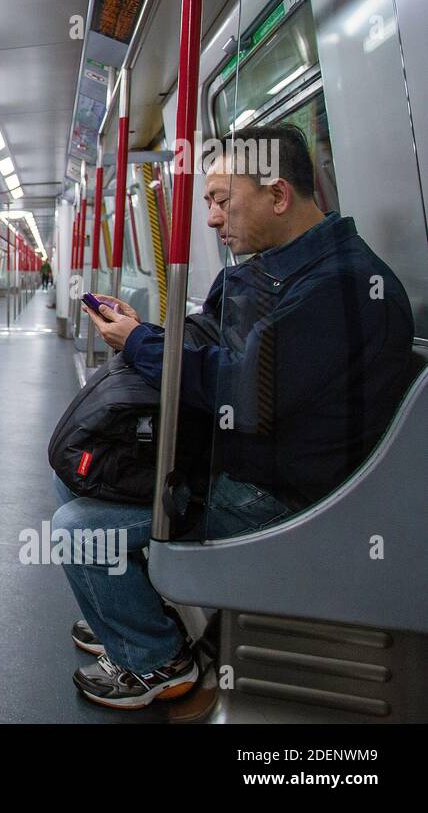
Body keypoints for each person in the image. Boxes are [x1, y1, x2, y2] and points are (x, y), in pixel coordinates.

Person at [57, 125, 414, 709]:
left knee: (76, 534)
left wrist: (140, 344)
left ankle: (158, 661)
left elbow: (242, 391)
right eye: (208, 204)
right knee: (75, 466)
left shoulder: (339, 287)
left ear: (278, 196)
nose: (213, 220)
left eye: (223, 201)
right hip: (248, 458)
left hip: (280, 495)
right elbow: (220, 346)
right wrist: (146, 336)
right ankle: (127, 617)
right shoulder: (273, 267)